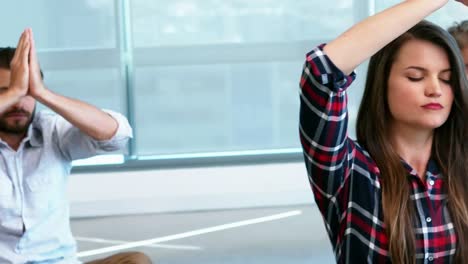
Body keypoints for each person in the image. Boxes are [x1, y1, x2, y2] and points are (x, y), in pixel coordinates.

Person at [298, 0, 468, 263]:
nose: (435, 89)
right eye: (415, 76)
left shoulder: (460, 166)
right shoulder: (351, 171)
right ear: (382, 84)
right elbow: (321, 71)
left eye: (446, 79)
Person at [0, 29, 151, 264]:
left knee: (136, 260)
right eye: (6, 92)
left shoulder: (50, 130)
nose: (19, 102)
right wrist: (15, 91)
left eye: (26, 93)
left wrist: (42, 92)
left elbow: (116, 135)